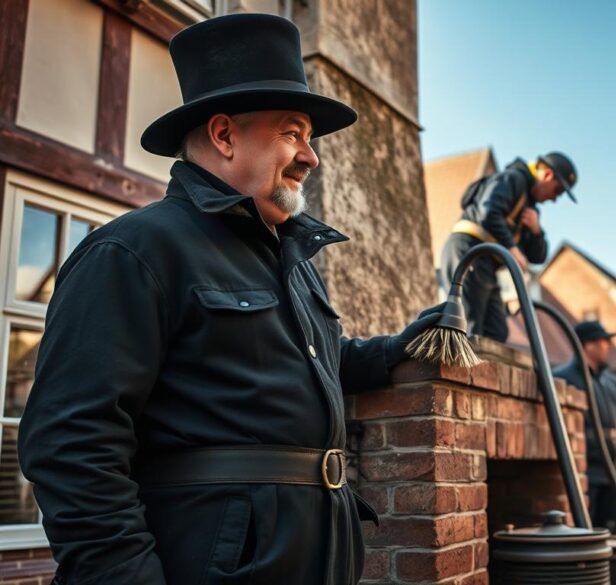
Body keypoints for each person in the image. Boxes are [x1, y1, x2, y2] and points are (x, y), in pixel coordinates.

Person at [17, 14, 443, 585]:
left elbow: (311, 363)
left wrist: (396, 350)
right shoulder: (135, 250)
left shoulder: (290, 261)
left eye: (308, 138)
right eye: (292, 133)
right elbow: (71, 447)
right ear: (223, 136)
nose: (311, 156)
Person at [439, 152, 577, 342]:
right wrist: (512, 248)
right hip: (469, 252)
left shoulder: (530, 208)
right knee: (469, 324)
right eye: (558, 190)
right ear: (547, 175)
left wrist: (537, 232)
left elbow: (538, 257)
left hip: (488, 264)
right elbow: (488, 212)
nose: (555, 199)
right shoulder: (513, 179)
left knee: (497, 331)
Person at [553, 321, 616, 533]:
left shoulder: (612, 383)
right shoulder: (563, 378)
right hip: (587, 473)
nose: (608, 345)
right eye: (603, 341)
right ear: (587, 345)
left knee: (611, 534)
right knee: (586, 532)